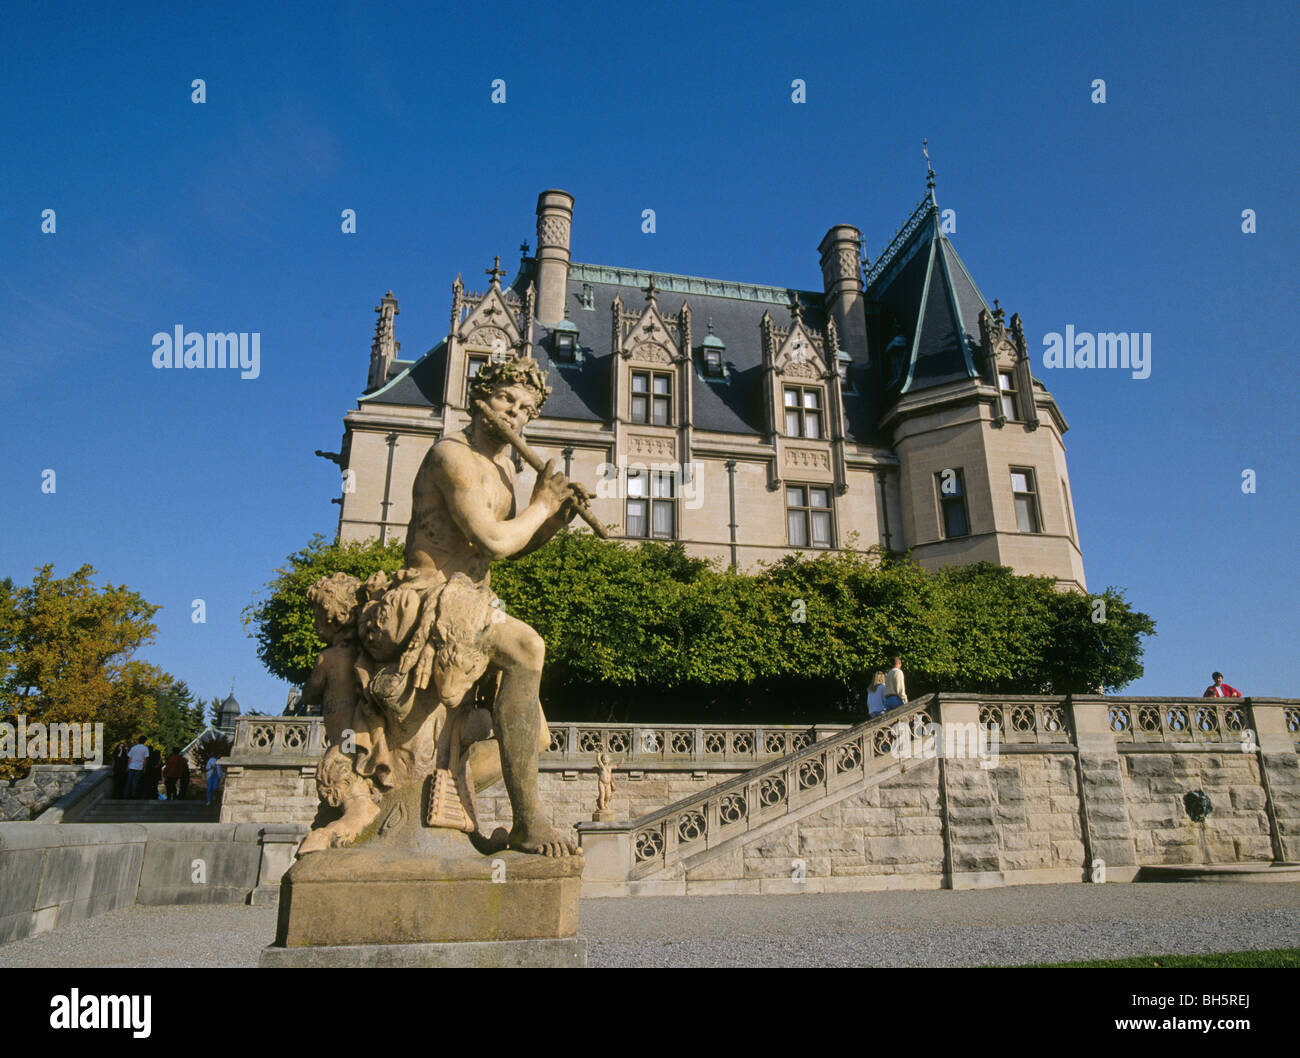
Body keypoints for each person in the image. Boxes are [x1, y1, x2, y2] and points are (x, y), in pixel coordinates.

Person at [402, 357, 586, 857]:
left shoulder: (504, 468)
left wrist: (552, 520)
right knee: (529, 648)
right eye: (507, 399)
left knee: (539, 737)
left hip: (474, 600)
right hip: (432, 594)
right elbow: (491, 539)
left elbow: (508, 545)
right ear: (481, 396)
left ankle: (441, 783)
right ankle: (529, 822)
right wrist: (541, 504)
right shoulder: (451, 456)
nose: (516, 415)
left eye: (526, 409)